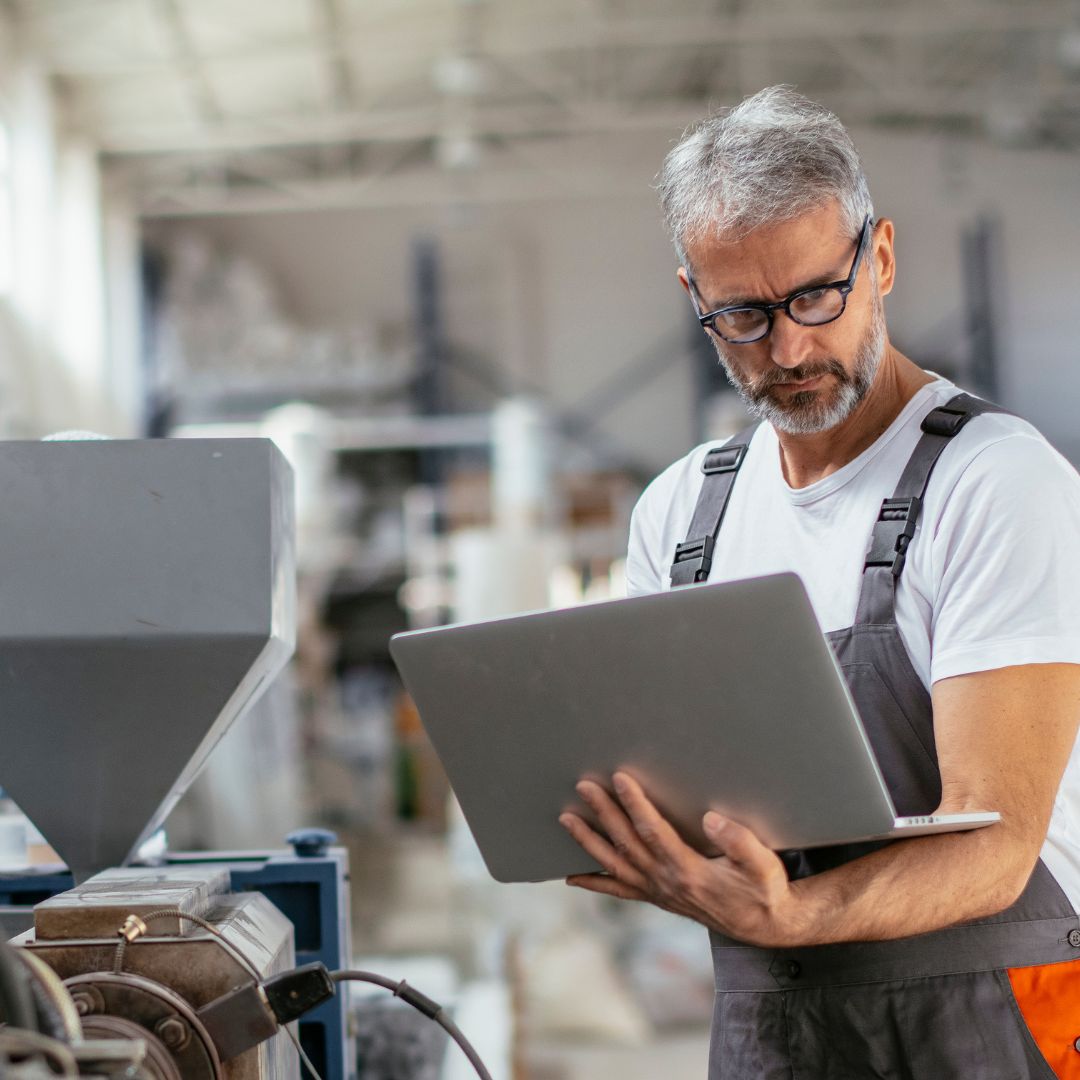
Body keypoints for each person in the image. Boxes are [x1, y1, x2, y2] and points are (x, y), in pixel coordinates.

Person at [558, 85, 1080, 1078]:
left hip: (994, 1019)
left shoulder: (994, 484)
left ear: (878, 258)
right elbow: (677, 794)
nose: (790, 349)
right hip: (773, 1026)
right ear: (695, 302)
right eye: (745, 316)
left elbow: (997, 842)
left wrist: (797, 913)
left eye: (814, 298)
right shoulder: (682, 517)